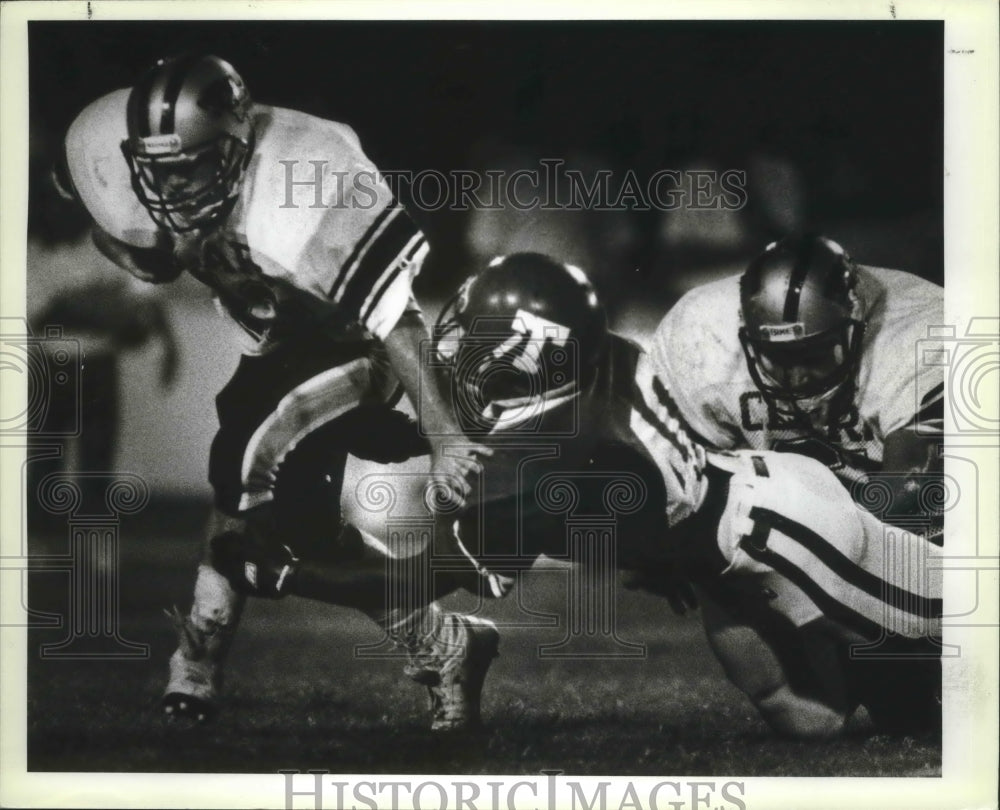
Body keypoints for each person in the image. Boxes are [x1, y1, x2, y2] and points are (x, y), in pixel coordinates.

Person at [221, 252, 942, 738]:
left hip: (782, 530)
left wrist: (285, 573)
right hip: (724, 546)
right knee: (806, 719)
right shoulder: (599, 369)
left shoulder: (555, 459)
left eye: (485, 364)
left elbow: (416, 577)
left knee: (955, 650)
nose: (461, 376)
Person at [58, 54, 495, 731]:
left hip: (358, 345)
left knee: (244, 451)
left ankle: (196, 666)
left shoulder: (304, 178)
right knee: (298, 531)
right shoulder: (141, 164)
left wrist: (441, 434)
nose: (173, 187)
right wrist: (137, 248)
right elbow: (119, 231)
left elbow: (398, 320)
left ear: (235, 147)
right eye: (160, 170)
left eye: (191, 167)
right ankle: (446, 645)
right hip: (281, 347)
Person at [640, 233, 945, 736]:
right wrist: (672, 541)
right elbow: (689, 483)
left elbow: (911, 503)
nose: (798, 377)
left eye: (816, 352)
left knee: (916, 702)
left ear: (857, 324)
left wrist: (864, 633)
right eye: (780, 356)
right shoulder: (701, 334)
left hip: (917, 522)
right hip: (795, 514)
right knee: (808, 721)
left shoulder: (923, 329)